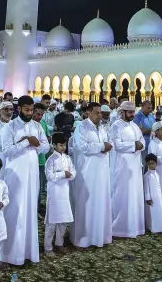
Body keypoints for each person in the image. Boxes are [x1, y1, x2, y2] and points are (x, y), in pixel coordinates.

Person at [0, 95, 49, 265]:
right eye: (26, 110)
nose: (29, 113)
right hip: (15, 175)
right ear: (18, 109)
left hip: (33, 174)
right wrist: (25, 142)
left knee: (30, 209)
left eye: (31, 110)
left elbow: (46, 147)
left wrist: (34, 143)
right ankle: (9, 253)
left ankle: (28, 251)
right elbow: (6, 151)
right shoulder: (10, 127)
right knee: (14, 210)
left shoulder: (37, 126)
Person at [72, 102, 114, 247]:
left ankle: (100, 236)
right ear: (88, 112)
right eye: (97, 113)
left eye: (100, 113)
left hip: (101, 171)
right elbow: (81, 146)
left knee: (101, 201)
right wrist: (102, 146)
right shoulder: (81, 127)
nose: (100, 115)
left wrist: (106, 146)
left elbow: (109, 142)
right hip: (87, 172)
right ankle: (84, 239)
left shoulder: (102, 127)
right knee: (87, 203)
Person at [109, 101, 144, 239]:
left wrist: (139, 145)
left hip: (135, 165)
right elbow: (117, 145)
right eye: (129, 112)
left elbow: (142, 141)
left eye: (133, 112)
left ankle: (136, 227)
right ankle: (120, 228)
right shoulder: (116, 126)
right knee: (123, 195)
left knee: (135, 194)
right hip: (122, 166)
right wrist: (134, 145)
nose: (132, 115)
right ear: (122, 112)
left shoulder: (135, 126)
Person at [44, 133, 76, 256]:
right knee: (51, 222)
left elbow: (73, 173)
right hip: (54, 194)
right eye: (61, 145)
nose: (63, 147)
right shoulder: (51, 159)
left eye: (65, 145)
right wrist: (63, 174)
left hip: (64, 193)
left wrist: (69, 175)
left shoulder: (67, 158)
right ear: (54, 145)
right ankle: (48, 247)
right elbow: (49, 176)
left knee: (63, 221)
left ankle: (59, 243)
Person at [144, 153, 162, 234]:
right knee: (152, 213)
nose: (151, 165)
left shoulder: (157, 173)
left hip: (158, 197)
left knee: (160, 211)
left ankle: (161, 227)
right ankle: (153, 228)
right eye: (149, 164)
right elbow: (146, 188)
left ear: (156, 164)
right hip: (152, 198)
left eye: (153, 163)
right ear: (147, 164)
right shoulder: (147, 175)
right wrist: (147, 198)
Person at [33, 103, 50, 217]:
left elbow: (48, 138)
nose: (39, 117)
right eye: (37, 114)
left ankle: (37, 209)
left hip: (40, 160)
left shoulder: (43, 124)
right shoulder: (28, 125)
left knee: (39, 187)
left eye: (41, 115)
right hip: (29, 162)